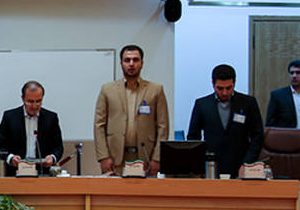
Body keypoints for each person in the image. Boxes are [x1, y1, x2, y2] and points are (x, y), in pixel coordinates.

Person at [93, 44, 169, 176]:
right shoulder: (107, 90)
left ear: (142, 63)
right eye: (127, 60)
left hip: (146, 158)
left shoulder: (156, 90)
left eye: (136, 60)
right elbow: (99, 125)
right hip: (115, 159)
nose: (131, 64)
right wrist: (103, 157)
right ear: (121, 63)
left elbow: (163, 127)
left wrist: (157, 158)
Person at [187, 63, 264, 177]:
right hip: (211, 166)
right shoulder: (202, 105)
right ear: (213, 84)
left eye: (229, 88)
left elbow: (258, 136)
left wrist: (247, 163)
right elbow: (193, 138)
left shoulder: (248, 103)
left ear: (234, 83)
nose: (224, 92)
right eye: (220, 88)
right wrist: (198, 166)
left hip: (240, 165)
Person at [0, 80, 64, 175]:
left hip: (43, 172)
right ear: (23, 99)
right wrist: (11, 157)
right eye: (30, 102)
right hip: (15, 172)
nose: (34, 106)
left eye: (38, 101)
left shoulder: (51, 118)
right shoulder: (9, 117)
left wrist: (52, 157)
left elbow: (58, 147)